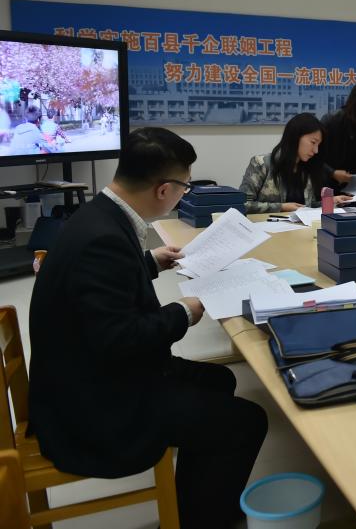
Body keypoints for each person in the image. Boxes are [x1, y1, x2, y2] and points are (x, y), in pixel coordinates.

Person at [28, 127, 268, 529]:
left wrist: (150, 261)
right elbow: (121, 339)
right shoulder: (102, 239)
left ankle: (196, 503)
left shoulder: (99, 215)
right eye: (184, 188)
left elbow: (104, 289)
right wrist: (184, 311)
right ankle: (204, 520)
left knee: (220, 380)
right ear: (164, 190)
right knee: (247, 421)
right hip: (94, 406)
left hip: (86, 375)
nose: (183, 195)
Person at [239, 112, 347, 213]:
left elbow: (307, 207)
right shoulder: (261, 164)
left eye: (318, 145)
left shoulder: (307, 168)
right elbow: (242, 204)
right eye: (313, 142)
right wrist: (282, 207)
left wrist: (330, 201)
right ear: (295, 137)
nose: (316, 150)